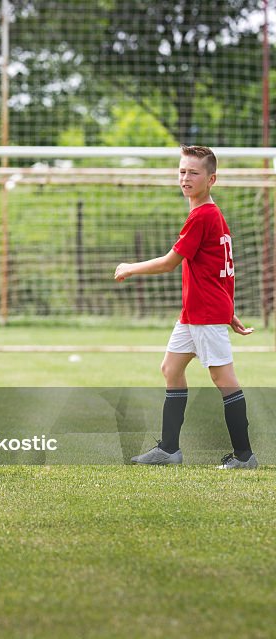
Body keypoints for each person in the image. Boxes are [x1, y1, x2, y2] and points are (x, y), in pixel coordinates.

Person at [116, 145, 258, 469]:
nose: (185, 178)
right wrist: (230, 310)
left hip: (205, 314)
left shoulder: (203, 215)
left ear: (211, 179)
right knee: (171, 369)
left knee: (225, 381)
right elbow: (221, 269)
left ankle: (244, 456)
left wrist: (129, 267)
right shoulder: (211, 215)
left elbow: (169, 263)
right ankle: (168, 450)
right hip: (196, 312)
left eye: (193, 172)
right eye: (182, 171)